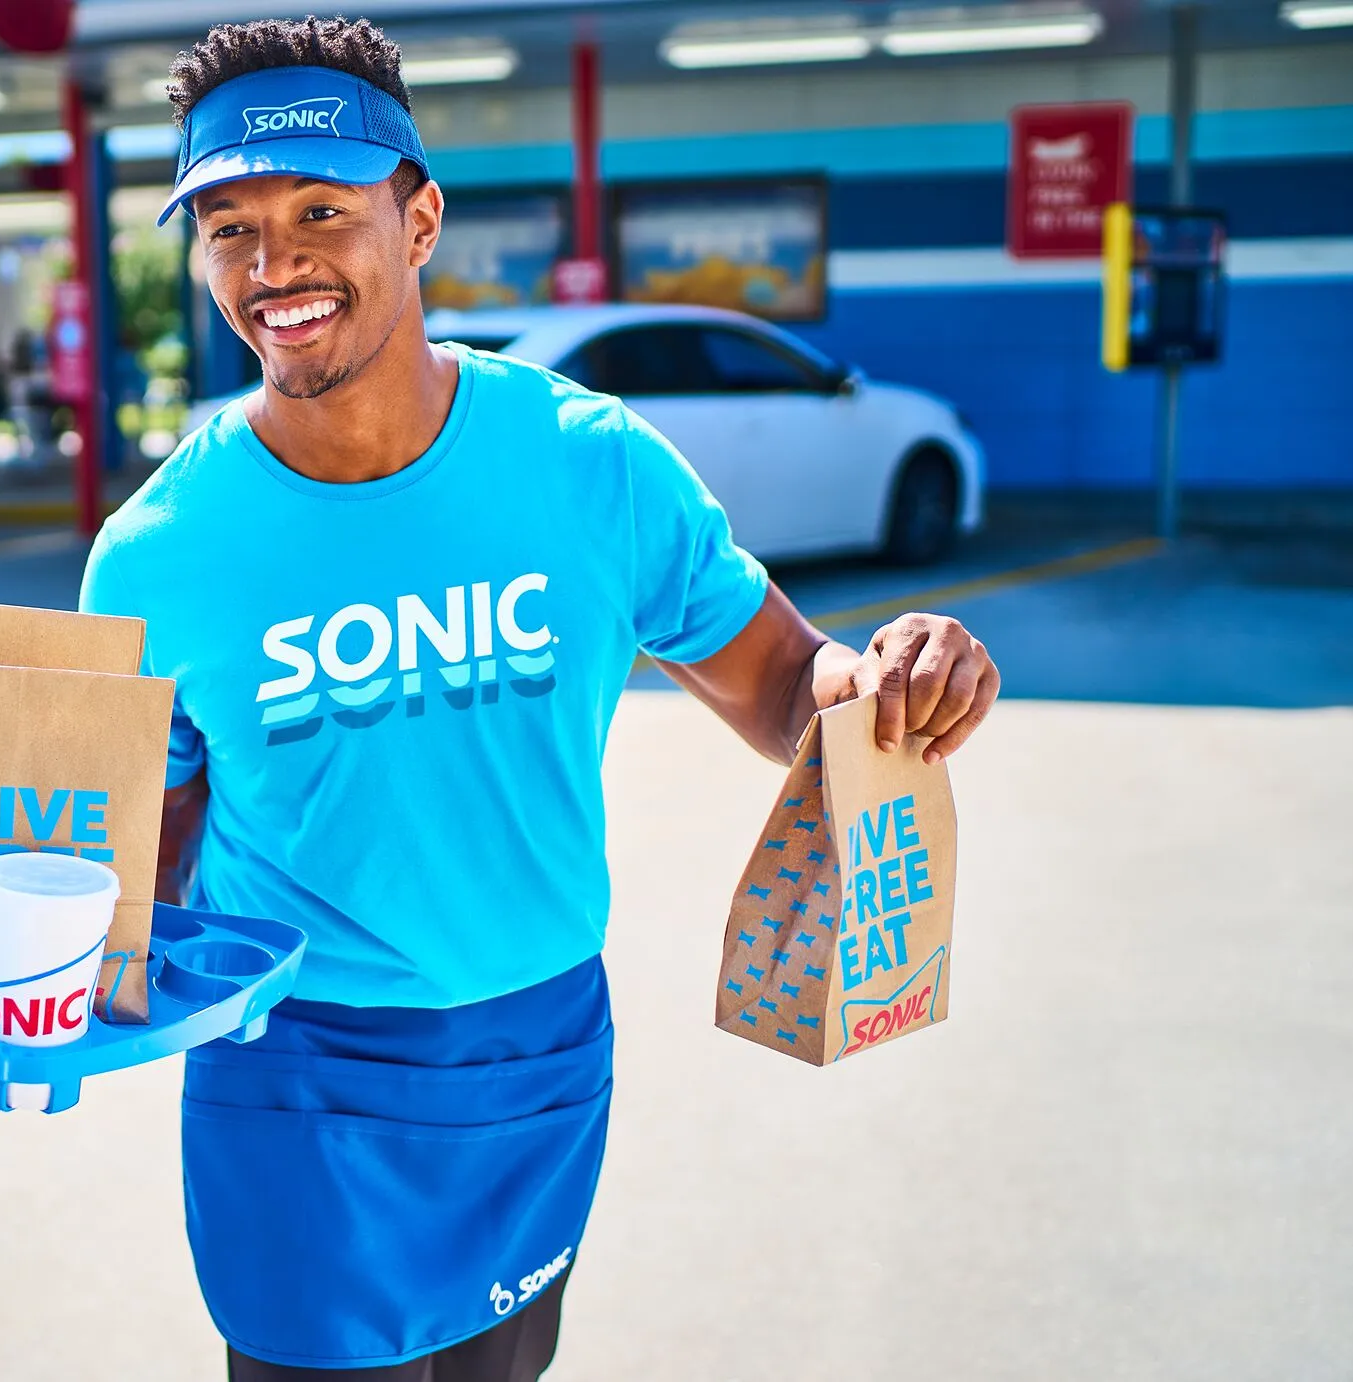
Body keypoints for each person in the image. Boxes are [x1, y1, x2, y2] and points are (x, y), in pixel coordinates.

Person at [81, 19, 1000, 1382]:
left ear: (421, 215)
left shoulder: (591, 467)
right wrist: (12, 936)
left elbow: (780, 683)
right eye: (230, 227)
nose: (273, 266)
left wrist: (887, 677)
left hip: (538, 1048)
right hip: (297, 1073)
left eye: (320, 210)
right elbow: (132, 837)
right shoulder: (159, 553)